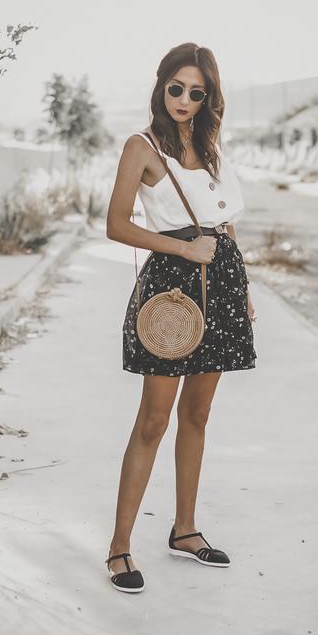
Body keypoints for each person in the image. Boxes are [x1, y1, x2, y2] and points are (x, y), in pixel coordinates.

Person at [105, 42, 257, 593]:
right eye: (177, 88)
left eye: (197, 92)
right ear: (160, 85)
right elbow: (117, 224)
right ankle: (120, 547)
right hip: (171, 287)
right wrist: (183, 251)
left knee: (198, 415)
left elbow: (225, 225)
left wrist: (241, 291)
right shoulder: (141, 146)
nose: (185, 100)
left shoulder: (212, 146)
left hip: (222, 282)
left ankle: (185, 531)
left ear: (208, 97)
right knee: (154, 418)